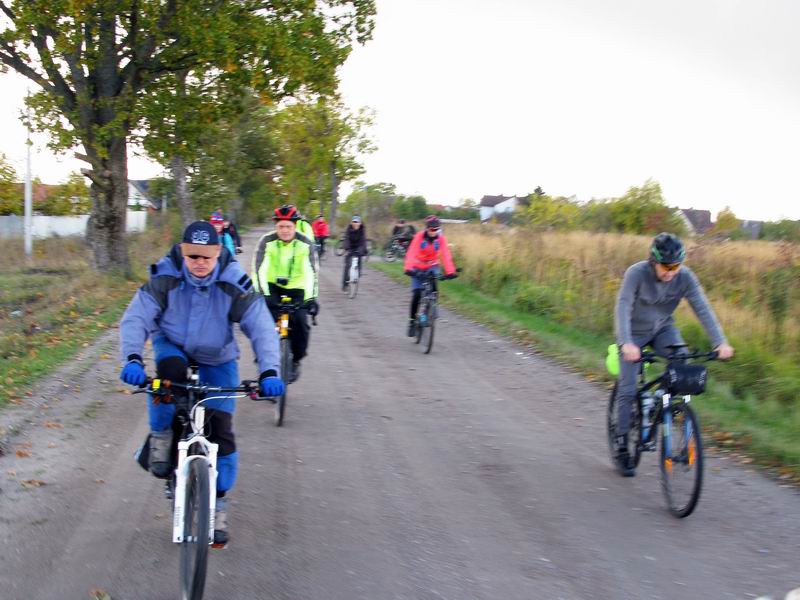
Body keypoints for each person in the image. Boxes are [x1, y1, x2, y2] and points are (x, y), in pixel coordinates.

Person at [118, 221, 284, 547]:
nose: (200, 263)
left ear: (218, 253)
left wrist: (269, 372)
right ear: (183, 252)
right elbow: (136, 318)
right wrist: (133, 358)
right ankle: (162, 437)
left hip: (218, 357)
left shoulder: (233, 282)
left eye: (207, 256)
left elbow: (262, 326)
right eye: (193, 256)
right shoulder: (165, 278)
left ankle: (218, 503)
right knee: (167, 379)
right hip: (173, 345)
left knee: (221, 429)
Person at [613, 232, 734, 476]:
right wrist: (626, 342)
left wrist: (720, 341)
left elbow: (702, 307)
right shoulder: (636, 273)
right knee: (627, 388)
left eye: (676, 266)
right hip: (633, 333)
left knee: (682, 366)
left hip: (663, 329)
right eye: (666, 267)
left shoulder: (685, 277)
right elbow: (623, 306)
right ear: (653, 261)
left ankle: (662, 406)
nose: (671, 272)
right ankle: (622, 442)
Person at [251, 205, 319, 383]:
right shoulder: (266, 241)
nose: (285, 230)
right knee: (265, 323)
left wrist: (311, 298)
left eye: (288, 226)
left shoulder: (306, 243)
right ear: (276, 226)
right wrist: (261, 294)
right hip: (272, 286)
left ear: (295, 226)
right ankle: (264, 362)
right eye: (281, 226)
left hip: (298, 287)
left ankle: (295, 360)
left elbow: (312, 272)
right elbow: (258, 269)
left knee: (300, 322)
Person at [403, 215, 457, 336]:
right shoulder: (419, 237)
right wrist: (409, 269)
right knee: (417, 294)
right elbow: (411, 253)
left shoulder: (441, 239)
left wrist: (450, 271)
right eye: (432, 229)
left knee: (434, 289)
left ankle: (429, 310)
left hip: (432, 265)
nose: (434, 231)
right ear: (427, 228)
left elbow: (446, 255)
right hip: (417, 267)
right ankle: (412, 322)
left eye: (437, 229)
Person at [342, 215, 368, 291]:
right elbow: (346, 239)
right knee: (348, 265)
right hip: (350, 247)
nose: (356, 223)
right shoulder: (348, 229)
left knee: (359, 264)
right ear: (351, 222)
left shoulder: (362, 230)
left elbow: (363, 241)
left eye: (357, 222)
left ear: (360, 223)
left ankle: (357, 275)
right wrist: (347, 248)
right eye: (354, 222)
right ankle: (345, 285)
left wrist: (363, 250)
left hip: (358, 248)